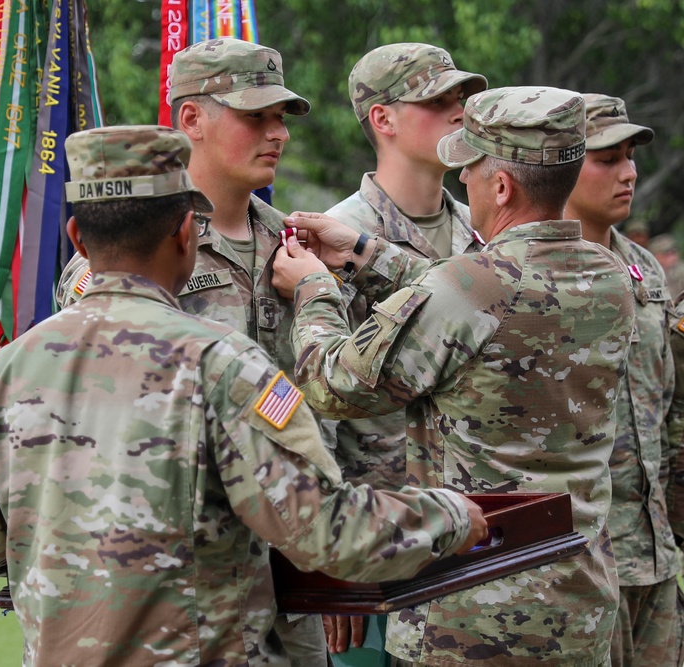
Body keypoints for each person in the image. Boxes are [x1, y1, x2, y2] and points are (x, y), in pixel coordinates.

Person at [0, 125, 487, 666]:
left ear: (78, 238)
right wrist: (454, 516)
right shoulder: (223, 364)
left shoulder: (6, 373)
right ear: (185, 233)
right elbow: (328, 534)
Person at [272, 87, 635, 665]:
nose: (460, 181)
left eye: (468, 168)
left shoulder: (473, 287)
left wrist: (314, 289)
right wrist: (366, 252)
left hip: (472, 611)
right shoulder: (611, 274)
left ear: (501, 186)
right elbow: (478, 294)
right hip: (577, 599)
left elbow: (331, 384)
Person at [55, 37, 335, 663]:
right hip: (187, 587)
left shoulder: (296, 247)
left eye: (281, 117)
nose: (277, 133)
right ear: (191, 121)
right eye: (254, 115)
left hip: (297, 570)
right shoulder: (129, 256)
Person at [321, 43, 487, 663]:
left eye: (462, 97)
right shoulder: (333, 236)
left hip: (476, 532)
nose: (459, 111)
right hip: (381, 537)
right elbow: (314, 403)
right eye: (436, 100)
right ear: (383, 119)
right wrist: (337, 553)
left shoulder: (485, 231)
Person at [564, 93, 684, 667]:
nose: (629, 171)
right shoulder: (527, 274)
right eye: (606, 158)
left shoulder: (644, 269)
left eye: (630, 155)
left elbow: (665, 411)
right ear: (559, 163)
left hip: (653, 555)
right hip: (579, 561)